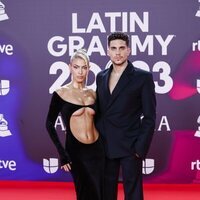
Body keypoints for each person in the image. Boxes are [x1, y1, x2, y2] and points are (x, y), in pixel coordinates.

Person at [96, 32, 156, 200]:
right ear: (107, 51)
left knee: (133, 194)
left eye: (122, 48)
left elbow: (150, 116)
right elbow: (100, 111)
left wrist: (140, 149)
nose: (118, 52)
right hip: (105, 145)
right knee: (106, 192)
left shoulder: (143, 77)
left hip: (131, 146)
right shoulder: (100, 77)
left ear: (128, 50)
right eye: (113, 48)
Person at [46, 49, 104, 200]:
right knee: (85, 192)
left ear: (88, 69)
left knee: (100, 192)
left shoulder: (93, 93)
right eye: (76, 67)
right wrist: (62, 153)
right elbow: (49, 123)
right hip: (76, 151)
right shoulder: (60, 93)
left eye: (84, 67)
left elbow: (102, 121)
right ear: (70, 67)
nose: (80, 71)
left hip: (97, 150)